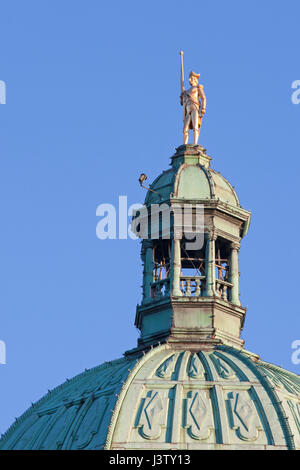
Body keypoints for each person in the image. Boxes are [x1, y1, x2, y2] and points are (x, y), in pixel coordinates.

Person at [180, 71, 206, 145]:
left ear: (194, 78)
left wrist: (203, 108)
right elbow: (182, 103)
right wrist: (182, 95)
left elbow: (203, 98)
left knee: (195, 126)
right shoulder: (186, 91)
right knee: (185, 129)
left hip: (195, 108)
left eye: (191, 78)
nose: (189, 80)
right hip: (188, 111)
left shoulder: (198, 87)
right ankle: (185, 144)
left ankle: (195, 143)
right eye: (189, 78)